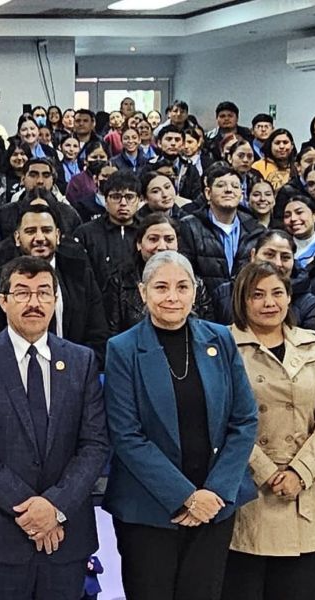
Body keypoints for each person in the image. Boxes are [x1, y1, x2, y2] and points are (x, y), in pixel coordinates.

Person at [103, 250, 259, 600]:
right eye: (161, 287)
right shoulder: (123, 349)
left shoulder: (220, 339)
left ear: (194, 291)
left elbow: (244, 420)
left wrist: (215, 492)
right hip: (148, 511)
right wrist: (185, 497)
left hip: (213, 508)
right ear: (143, 293)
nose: (172, 297)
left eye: (181, 287)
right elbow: (127, 436)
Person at [0, 255, 109, 600]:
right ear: (3, 301)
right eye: (22, 293)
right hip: (0, 534)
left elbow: (95, 444)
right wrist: (32, 510)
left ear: (56, 301)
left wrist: (54, 507)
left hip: (66, 533)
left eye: (43, 293)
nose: (34, 302)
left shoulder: (82, 361)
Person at [220, 261, 315, 600]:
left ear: (290, 297)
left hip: (304, 491)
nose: (268, 302)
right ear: (242, 300)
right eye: (257, 295)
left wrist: (299, 472)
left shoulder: (312, 345)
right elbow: (225, 421)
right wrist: (269, 472)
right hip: (250, 492)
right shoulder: (223, 345)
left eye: (277, 293)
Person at [0, 203, 109, 361]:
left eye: (47, 230)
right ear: (17, 238)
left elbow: (98, 337)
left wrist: (73, 368)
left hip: (72, 373)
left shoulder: (81, 275)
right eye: (30, 231)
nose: (40, 238)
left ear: (58, 235)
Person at [178, 163, 266, 292]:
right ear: (208, 193)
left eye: (235, 186)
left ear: (241, 194)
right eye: (221, 185)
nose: (229, 190)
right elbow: (185, 272)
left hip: (244, 304)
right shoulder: (190, 226)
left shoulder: (256, 230)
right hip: (204, 306)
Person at [73, 170, 140, 290]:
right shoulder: (85, 234)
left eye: (129, 197)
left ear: (139, 200)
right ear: (105, 200)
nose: (123, 203)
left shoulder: (148, 232)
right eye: (116, 197)